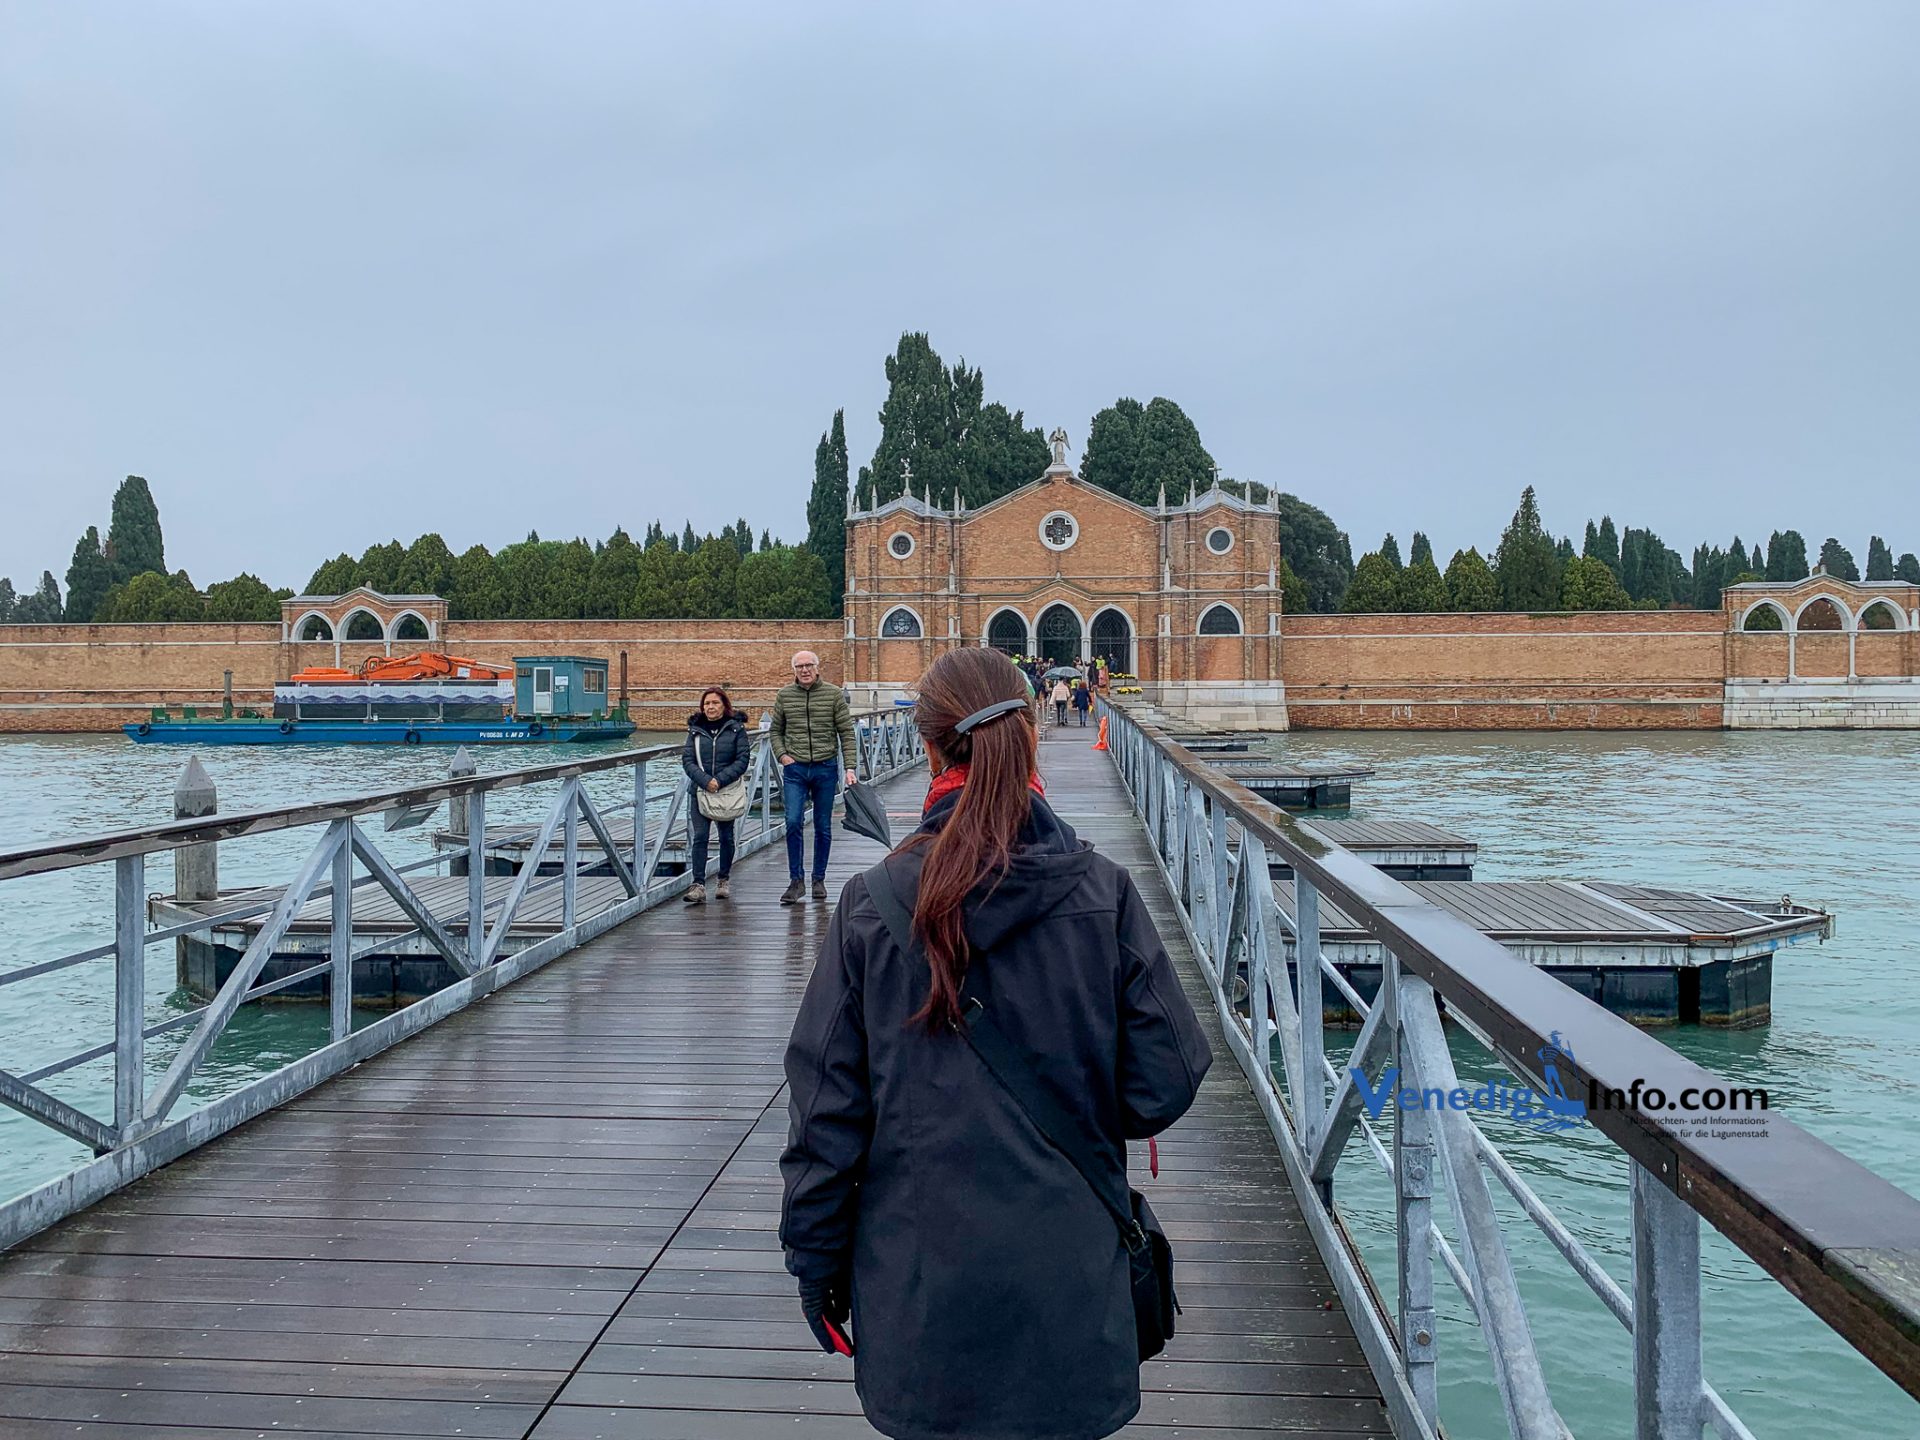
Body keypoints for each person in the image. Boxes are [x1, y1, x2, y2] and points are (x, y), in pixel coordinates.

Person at [779, 647, 1212, 1440]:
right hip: (1070, 1274)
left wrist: (815, 1262)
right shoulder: (1103, 892)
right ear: (1032, 735)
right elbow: (1162, 1084)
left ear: (930, 747)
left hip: (920, 1278)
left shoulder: (871, 907)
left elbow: (826, 1116)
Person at [771, 650, 859, 904]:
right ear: (794, 671)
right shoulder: (784, 695)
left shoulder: (832, 694)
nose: (805, 670)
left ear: (818, 668)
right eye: (799, 666)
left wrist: (850, 767)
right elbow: (776, 730)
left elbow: (846, 732)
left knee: (822, 826)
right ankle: (796, 881)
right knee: (793, 821)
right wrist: (782, 755)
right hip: (795, 768)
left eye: (809, 665)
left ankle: (818, 878)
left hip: (825, 766)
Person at [680, 686, 750, 902]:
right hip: (700, 790)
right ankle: (698, 884)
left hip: (726, 790)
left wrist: (719, 781)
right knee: (700, 836)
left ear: (724, 705)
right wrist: (705, 780)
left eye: (715, 703)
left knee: (726, 837)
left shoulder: (736, 730)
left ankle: (723, 878)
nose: (710, 707)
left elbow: (743, 759)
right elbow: (688, 760)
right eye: (707, 703)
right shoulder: (695, 730)